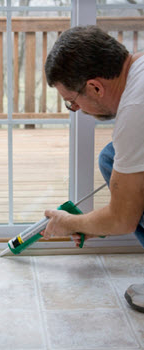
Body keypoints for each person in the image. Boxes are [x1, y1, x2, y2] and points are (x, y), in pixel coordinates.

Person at [43, 25, 144, 313]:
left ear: (95, 87)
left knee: (114, 159)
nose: (78, 110)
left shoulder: (136, 109)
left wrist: (70, 223)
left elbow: (123, 219)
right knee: (112, 156)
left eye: (72, 103)